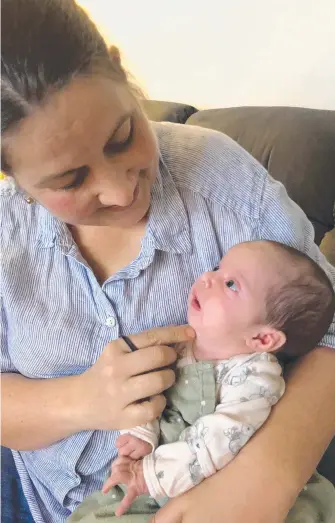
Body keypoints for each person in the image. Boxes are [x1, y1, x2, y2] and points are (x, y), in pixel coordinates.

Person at [1, 1, 335, 522]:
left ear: (120, 72)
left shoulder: (220, 180)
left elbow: (329, 326)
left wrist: (264, 479)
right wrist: (85, 400)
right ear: (13, 179)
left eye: (123, 137)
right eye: (70, 181)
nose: (120, 190)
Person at [66, 240, 335, 521]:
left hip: (218, 490)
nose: (208, 278)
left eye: (231, 284)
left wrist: (148, 473)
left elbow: (219, 438)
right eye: (217, 268)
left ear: (262, 338)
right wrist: (141, 434)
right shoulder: (181, 345)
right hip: (157, 482)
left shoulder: (255, 377)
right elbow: (144, 390)